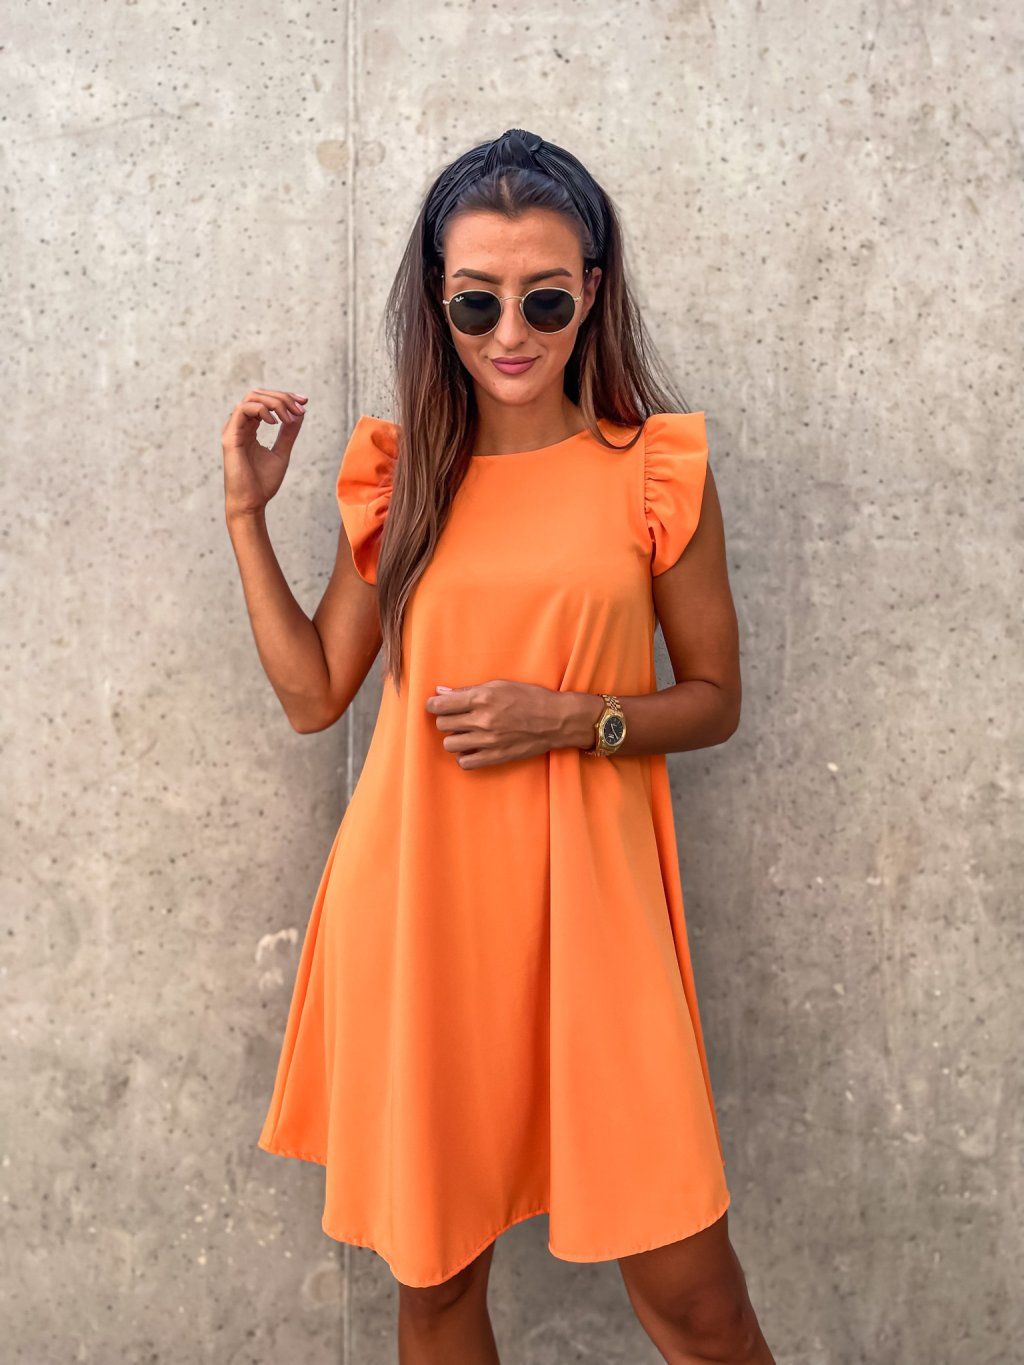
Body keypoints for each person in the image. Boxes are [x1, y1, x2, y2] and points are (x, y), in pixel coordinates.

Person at [223, 128, 775, 1364]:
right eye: (476, 301)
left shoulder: (654, 474)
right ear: (439, 301)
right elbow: (314, 695)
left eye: (544, 298)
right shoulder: (404, 478)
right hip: (423, 914)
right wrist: (245, 517)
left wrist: (572, 718)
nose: (510, 332)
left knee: (700, 1304)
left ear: (592, 292)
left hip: (597, 918)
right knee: (437, 1291)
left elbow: (714, 698)